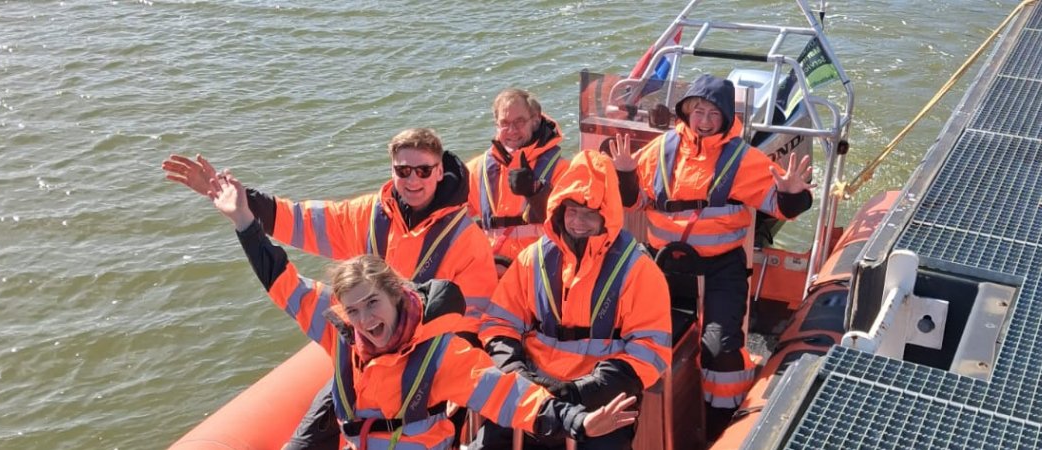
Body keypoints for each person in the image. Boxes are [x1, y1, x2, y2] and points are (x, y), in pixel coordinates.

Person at [201, 170, 639, 450]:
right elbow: (281, 279)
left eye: (372, 304)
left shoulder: (440, 355)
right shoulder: (340, 332)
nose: (366, 321)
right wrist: (243, 221)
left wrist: (580, 423)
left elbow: (512, 397)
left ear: (396, 295)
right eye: (354, 311)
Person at [162, 127, 498, 448]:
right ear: (392, 170)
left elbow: (471, 321)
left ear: (439, 171)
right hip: (360, 360)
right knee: (302, 443)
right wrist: (237, 203)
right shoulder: (368, 214)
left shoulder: (465, 240)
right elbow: (300, 220)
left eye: (423, 171)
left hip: (423, 367)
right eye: (403, 170)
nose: (413, 180)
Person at [608, 74, 813, 437]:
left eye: (713, 114)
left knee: (721, 350)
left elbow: (783, 208)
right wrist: (625, 174)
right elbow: (635, 200)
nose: (704, 120)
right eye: (698, 111)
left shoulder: (743, 159)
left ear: (726, 118)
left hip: (720, 269)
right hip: (664, 264)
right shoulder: (659, 150)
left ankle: (722, 426)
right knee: (628, 334)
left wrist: (793, 193)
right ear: (686, 112)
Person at [473, 150, 672, 450]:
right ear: (558, 210)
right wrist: (517, 373)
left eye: (589, 213)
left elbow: (649, 351)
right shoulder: (533, 259)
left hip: (600, 401)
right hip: (532, 392)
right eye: (571, 211)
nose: (578, 221)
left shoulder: (638, 270)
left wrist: (579, 392)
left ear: (607, 215)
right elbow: (499, 323)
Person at [466, 88, 569, 276]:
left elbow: (570, 224)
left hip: (540, 271)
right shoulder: (476, 170)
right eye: (504, 123)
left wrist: (536, 192)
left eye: (519, 122)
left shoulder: (561, 169)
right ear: (496, 125)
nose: (512, 130)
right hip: (492, 270)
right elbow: (449, 217)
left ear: (535, 121)